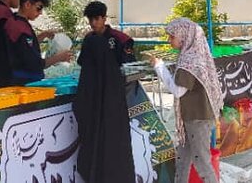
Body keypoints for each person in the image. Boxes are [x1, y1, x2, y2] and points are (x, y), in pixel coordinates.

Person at [152, 18, 224, 183]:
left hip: (197, 118)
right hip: (194, 117)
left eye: (172, 36)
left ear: (184, 36)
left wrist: (159, 67)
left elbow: (178, 91)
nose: (169, 40)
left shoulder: (190, 62)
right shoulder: (196, 55)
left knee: (202, 163)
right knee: (183, 160)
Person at [73, 33, 136, 183]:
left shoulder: (87, 80)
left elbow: (79, 107)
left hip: (95, 135)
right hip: (115, 144)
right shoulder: (115, 80)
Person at [4, 0, 73, 85]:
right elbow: (34, 64)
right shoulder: (21, 29)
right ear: (27, 4)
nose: (40, 13)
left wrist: (43, 35)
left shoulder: (15, 22)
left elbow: (23, 47)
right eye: (39, 8)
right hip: (25, 83)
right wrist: (59, 58)